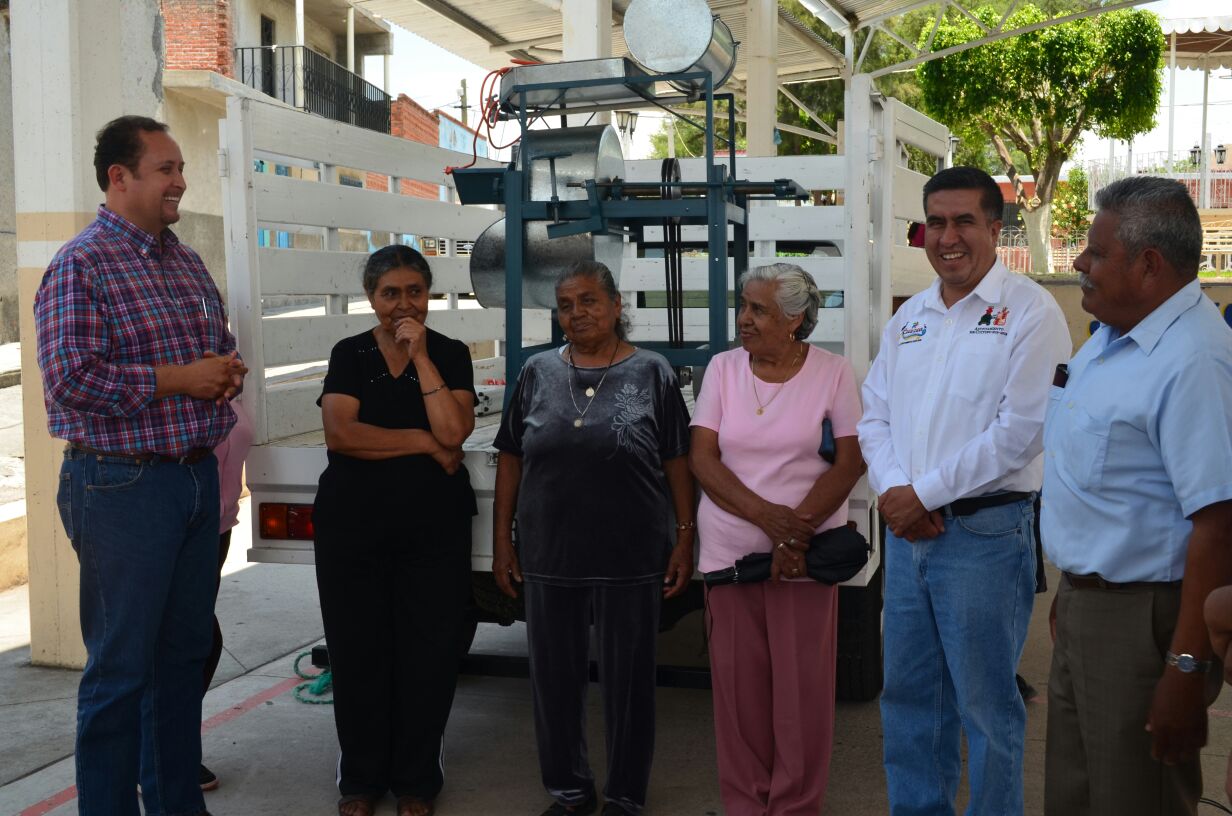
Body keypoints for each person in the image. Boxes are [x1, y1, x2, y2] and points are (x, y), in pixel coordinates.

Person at [34, 115, 246, 816]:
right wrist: (182, 379)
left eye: (180, 167)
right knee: (121, 671)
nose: (180, 180)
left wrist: (221, 373)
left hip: (190, 477)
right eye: (166, 169)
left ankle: (178, 806)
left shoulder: (182, 260)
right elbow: (69, 380)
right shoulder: (81, 263)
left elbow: (211, 346)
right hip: (120, 485)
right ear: (119, 178)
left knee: (181, 663)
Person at [857, 165, 1070, 815]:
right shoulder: (910, 319)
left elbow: (1022, 432)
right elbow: (875, 415)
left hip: (983, 535)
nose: (948, 237)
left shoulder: (1031, 311)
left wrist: (919, 494)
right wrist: (899, 493)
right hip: (908, 533)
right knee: (911, 701)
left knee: (985, 708)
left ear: (995, 228)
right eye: (936, 223)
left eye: (964, 222)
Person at [1042, 175, 1232, 815]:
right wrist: (1074, 590)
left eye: (1096, 253)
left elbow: (1218, 526)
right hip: (1090, 606)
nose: (1079, 264)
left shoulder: (1195, 360)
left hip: (1146, 621)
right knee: (1075, 796)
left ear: (1148, 265)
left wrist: (1184, 668)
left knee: (1134, 801)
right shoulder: (1111, 339)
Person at [492, 260, 694, 816]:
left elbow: (677, 460)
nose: (576, 314)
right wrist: (503, 543)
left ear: (616, 305)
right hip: (550, 551)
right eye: (565, 305)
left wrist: (684, 538)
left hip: (631, 553)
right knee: (554, 683)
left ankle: (626, 796)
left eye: (588, 301)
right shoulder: (536, 372)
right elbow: (510, 457)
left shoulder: (653, 372)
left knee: (629, 687)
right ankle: (570, 791)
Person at [688, 262, 865, 815]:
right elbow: (702, 457)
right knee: (740, 696)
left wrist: (794, 536)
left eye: (758, 309)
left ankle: (794, 805)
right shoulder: (722, 369)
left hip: (804, 556)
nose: (743, 319)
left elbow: (849, 463)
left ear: (794, 320)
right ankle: (745, 803)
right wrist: (768, 519)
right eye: (743, 305)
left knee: (801, 694)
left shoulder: (833, 372)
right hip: (731, 553)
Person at [313, 244, 476, 816]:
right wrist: (423, 442)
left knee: (428, 654)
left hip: (433, 533)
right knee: (358, 651)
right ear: (370, 298)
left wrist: (423, 358)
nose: (403, 303)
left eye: (414, 291)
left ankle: (415, 780)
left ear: (428, 295)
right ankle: (360, 779)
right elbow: (342, 435)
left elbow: (455, 430)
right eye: (390, 293)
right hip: (352, 532)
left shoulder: (452, 354)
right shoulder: (350, 353)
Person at [198, 398, 254, 791]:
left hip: (218, 524)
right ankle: (156, 748)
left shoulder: (226, 362)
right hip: (182, 522)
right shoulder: (179, 370)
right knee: (195, 638)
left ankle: (172, 744)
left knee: (198, 638)